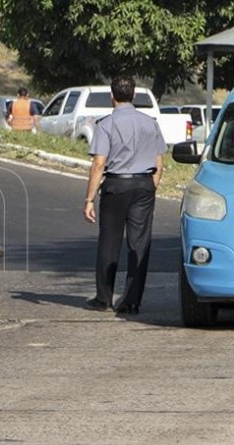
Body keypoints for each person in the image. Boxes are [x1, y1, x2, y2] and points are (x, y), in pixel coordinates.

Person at [83, 75, 165, 314]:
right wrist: (152, 185)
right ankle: (131, 300)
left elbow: (99, 163)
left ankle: (104, 297)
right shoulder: (150, 122)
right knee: (139, 244)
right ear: (134, 95)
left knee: (109, 241)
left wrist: (89, 199)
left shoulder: (107, 124)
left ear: (112, 96)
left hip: (117, 185)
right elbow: (160, 160)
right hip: (144, 184)